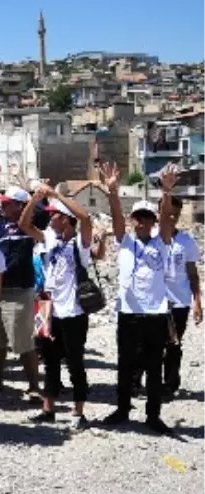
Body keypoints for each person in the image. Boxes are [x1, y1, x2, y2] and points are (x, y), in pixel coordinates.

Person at [99, 161, 178, 435]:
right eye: (138, 217)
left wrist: (166, 192)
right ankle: (122, 409)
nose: (142, 221)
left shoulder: (162, 241)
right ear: (134, 220)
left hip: (155, 314)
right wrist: (112, 192)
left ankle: (153, 415)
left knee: (155, 367)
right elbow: (116, 217)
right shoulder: (125, 241)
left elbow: (167, 216)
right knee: (125, 364)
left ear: (153, 221)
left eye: (147, 217)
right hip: (129, 313)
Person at [0, 150, 43, 399]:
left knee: (23, 342)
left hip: (19, 291)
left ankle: (34, 386)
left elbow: (41, 209)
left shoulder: (32, 225)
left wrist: (25, 182)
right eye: (2, 203)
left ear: (20, 206)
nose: (2, 206)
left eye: (7, 204)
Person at [28, 184, 93, 430]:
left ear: (65, 219)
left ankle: (78, 412)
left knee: (75, 362)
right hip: (47, 309)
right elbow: (26, 226)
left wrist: (56, 195)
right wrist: (34, 201)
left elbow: (85, 218)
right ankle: (48, 409)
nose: (49, 217)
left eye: (53, 214)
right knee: (50, 361)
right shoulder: (49, 238)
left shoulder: (80, 245)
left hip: (73, 312)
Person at [164, 196, 202, 398]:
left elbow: (193, 273)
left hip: (179, 302)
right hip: (153, 303)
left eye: (176, 214)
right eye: (170, 213)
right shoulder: (151, 237)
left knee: (174, 344)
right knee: (145, 344)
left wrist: (197, 302)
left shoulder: (186, 241)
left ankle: (169, 384)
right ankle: (136, 382)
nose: (173, 217)